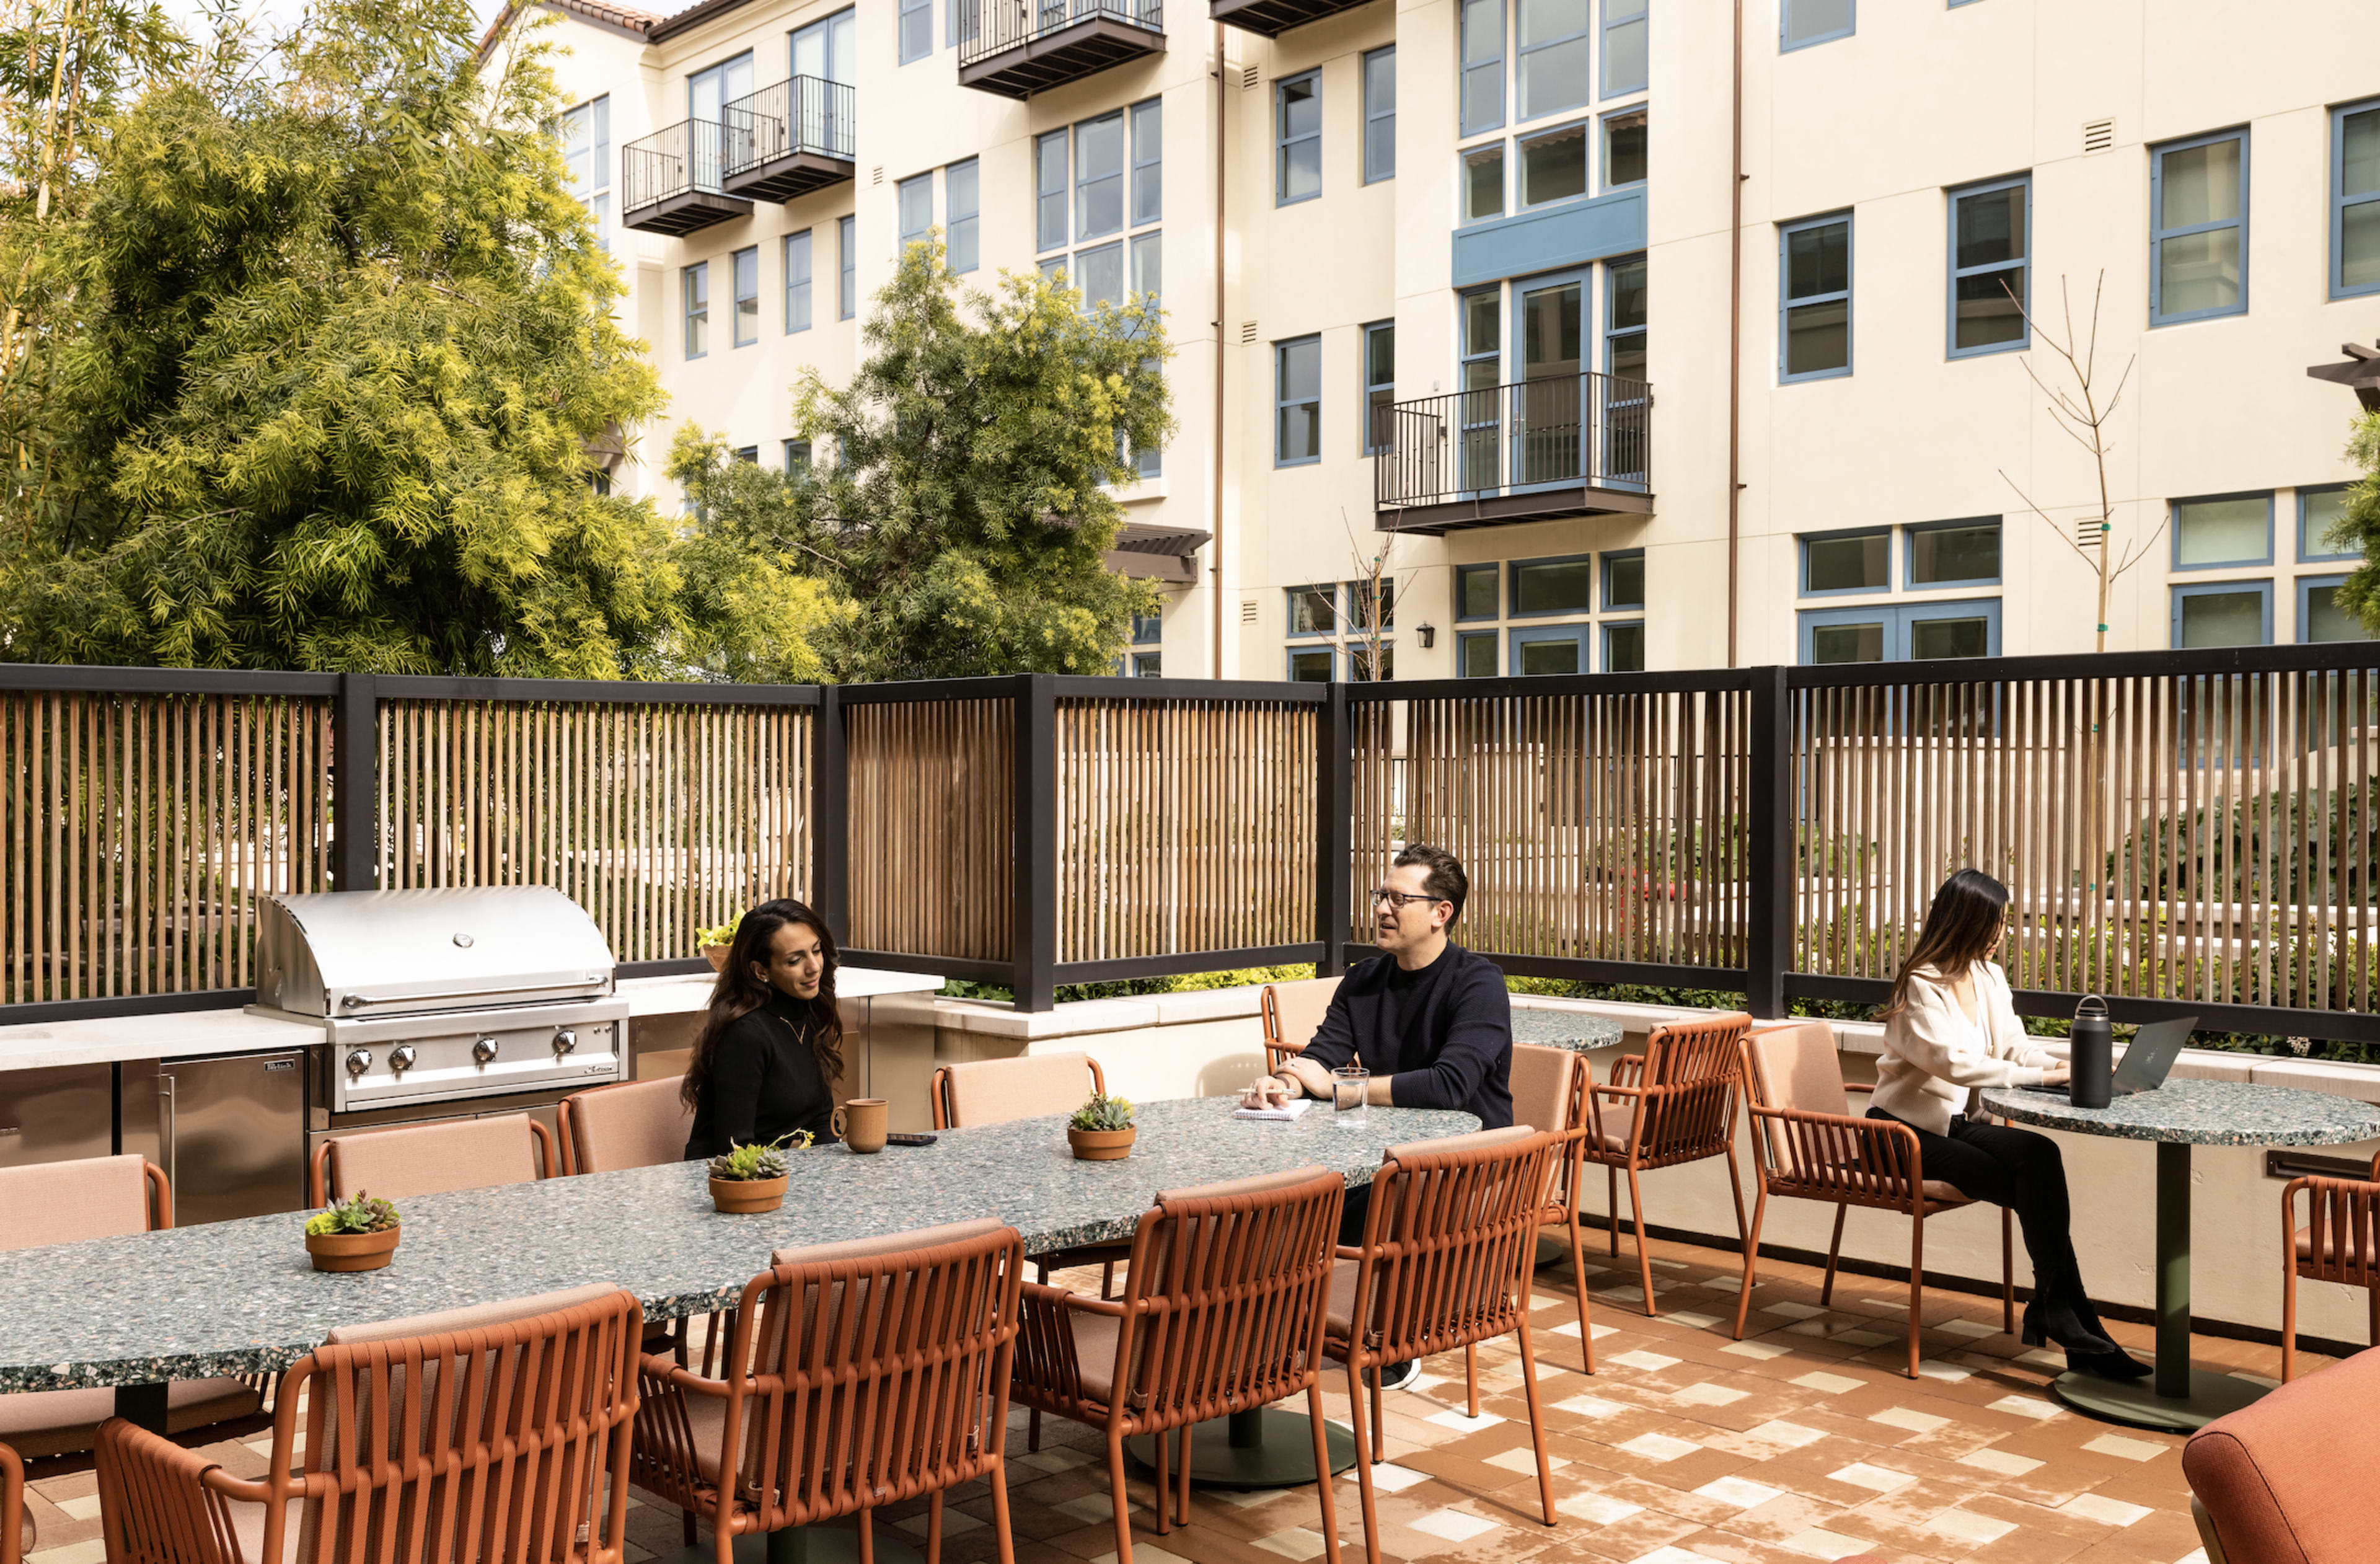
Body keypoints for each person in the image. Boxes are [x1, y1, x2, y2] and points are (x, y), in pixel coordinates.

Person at [1240, 842, 1512, 1387]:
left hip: (1467, 1162)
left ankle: (1392, 1337)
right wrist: (1285, 1082)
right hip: (1385, 1151)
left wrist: (1342, 1089)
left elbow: (1451, 1085)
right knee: (1270, 1203)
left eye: (1398, 898)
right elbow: (1323, 1053)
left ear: (1441, 913)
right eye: (1380, 895)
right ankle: (1257, 1344)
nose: (1383, 908)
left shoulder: (1478, 983)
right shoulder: (1364, 980)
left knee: (1328, 1206)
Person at [1871, 868, 2148, 1381]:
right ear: (1968, 922)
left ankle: (2062, 1311)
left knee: (2040, 1156)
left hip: (1954, 1125)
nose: (2003, 932)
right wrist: (2047, 1075)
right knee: (2030, 1184)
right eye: (1996, 922)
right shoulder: (1920, 985)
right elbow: (1954, 1064)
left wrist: (2072, 1068)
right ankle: (2070, 1315)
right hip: (1900, 1134)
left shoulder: (1988, 976)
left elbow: (2015, 1047)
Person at [682, 898, 845, 1160]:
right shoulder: (745, 1035)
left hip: (776, 1175)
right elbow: (734, 1150)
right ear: (760, 971)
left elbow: (820, 1120)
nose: (814, 966)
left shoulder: (808, 1011)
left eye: (816, 950)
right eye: (795, 960)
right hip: (728, 1182)